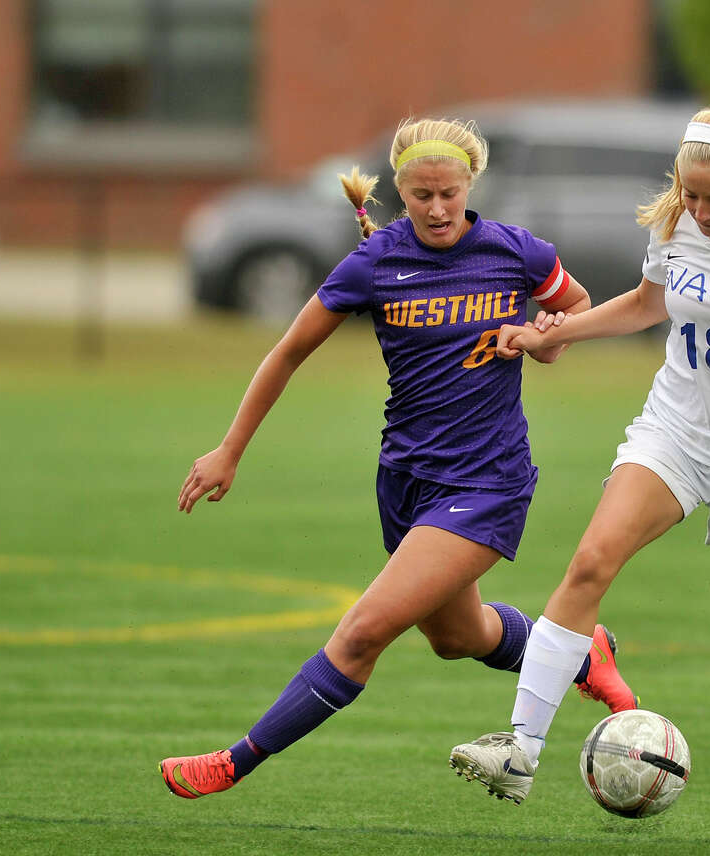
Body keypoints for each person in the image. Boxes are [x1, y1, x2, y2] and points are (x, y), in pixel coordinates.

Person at [158, 116, 639, 800]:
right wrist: (229, 449)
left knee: (360, 636)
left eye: (449, 193)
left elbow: (575, 312)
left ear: (472, 183)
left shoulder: (517, 253)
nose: (438, 208)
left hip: (487, 482)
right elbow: (288, 351)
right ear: (401, 193)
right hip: (407, 481)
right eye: (421, 196)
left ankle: (235, 761)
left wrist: (539, 337)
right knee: (457, 635)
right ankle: (580, 653)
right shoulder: (376, 262)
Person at [448, 96, 710, 844]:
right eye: (690, 194)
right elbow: (647, 303)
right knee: (588, 566)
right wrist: (557, 334)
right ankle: (521, 749)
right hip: (674, 434)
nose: (699, 211)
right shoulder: (675, 224)